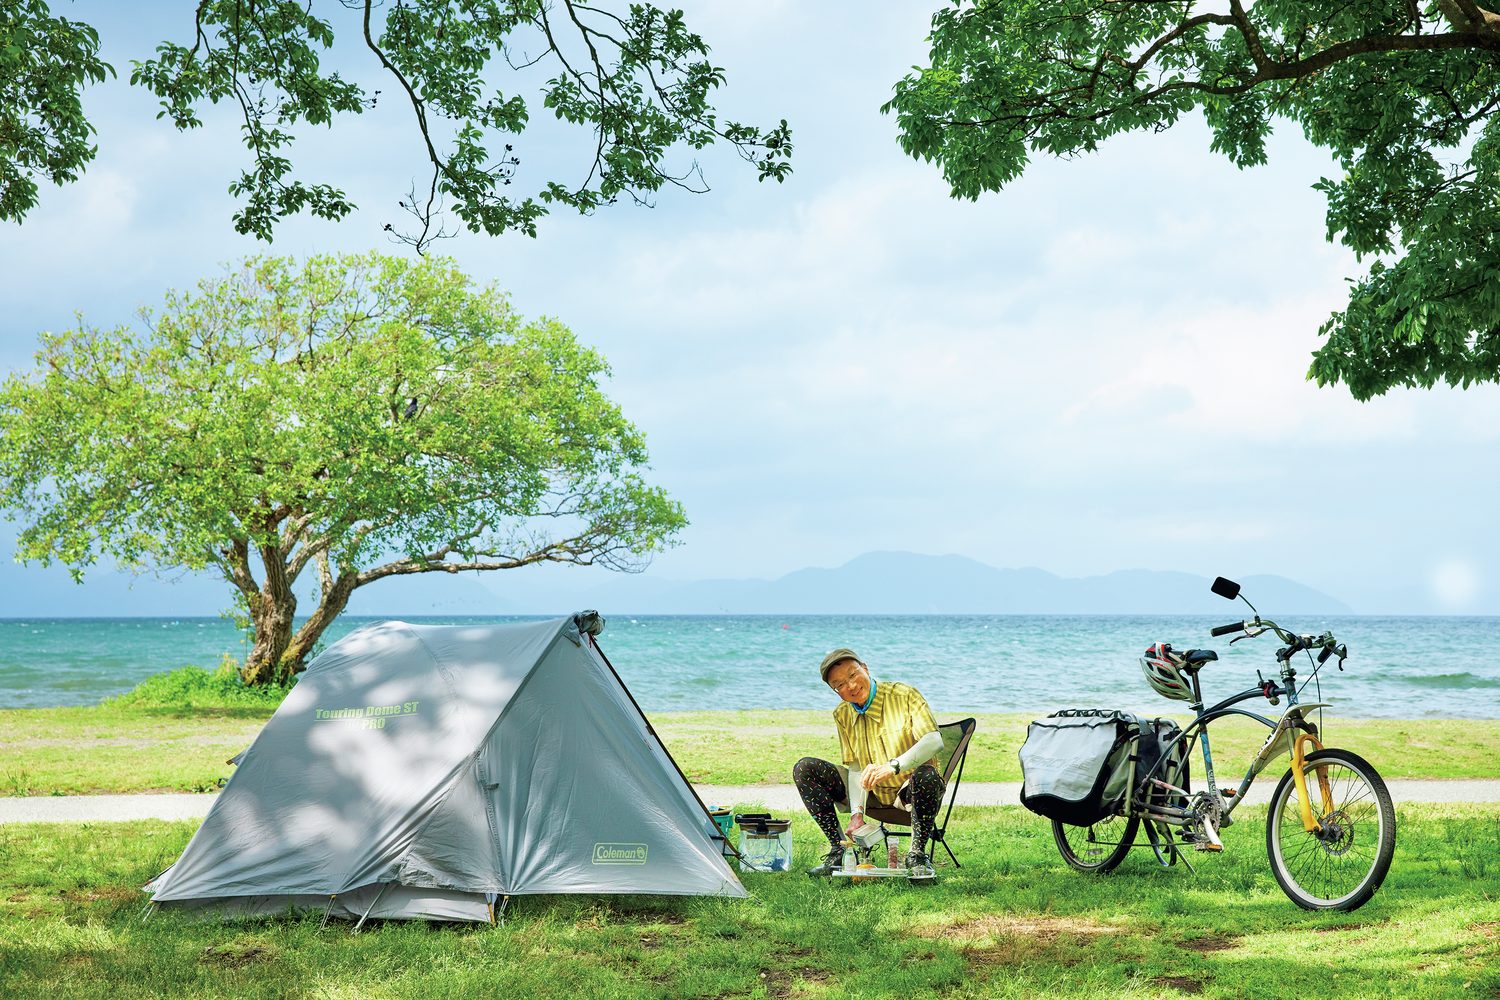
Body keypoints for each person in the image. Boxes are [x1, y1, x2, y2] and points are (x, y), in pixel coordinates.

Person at [793, 647, 946, 883]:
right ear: (835, 691)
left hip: (909, 795)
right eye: (840, 684)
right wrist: (857, 813)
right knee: (805, 768)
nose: (851, 686)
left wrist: (892, 766)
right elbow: (854, 768)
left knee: (927, 774)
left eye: (853, 675)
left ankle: (916, 856)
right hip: (871, 795)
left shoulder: (904, 695)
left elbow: (934, 740)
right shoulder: (842, 714)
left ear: (865, 668)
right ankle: (839, 850)